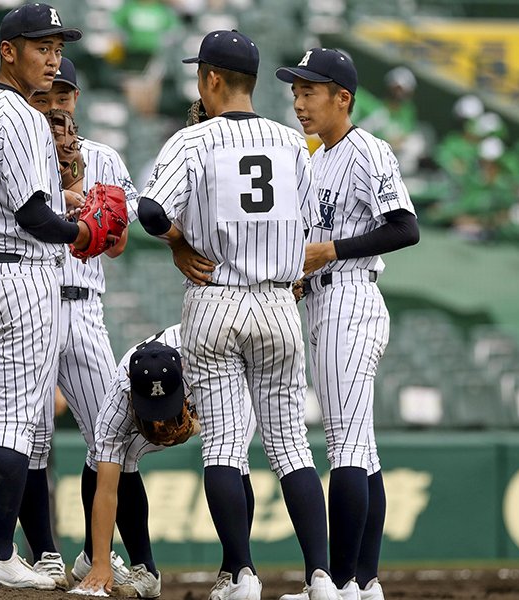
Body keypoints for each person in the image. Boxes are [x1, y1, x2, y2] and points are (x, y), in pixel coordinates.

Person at [136, 30, 332, 600]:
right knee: (292, 443)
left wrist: (176, 240)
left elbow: (150, 211)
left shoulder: (193, 140)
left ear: (212, 79)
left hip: (216, 295)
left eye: (201, 72)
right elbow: (308, 222)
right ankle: (320, 576)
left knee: (224, 443)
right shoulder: (293, 142)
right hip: (277, 299)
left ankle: (241, 574)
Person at [0, 3, 95, 590]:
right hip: (21, 273)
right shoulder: (27, 118)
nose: (53, 57)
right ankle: (1, 552)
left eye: (58, 47)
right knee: (14, 422)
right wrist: (78, 229)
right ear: (9, 50)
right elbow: (35, 214)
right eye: (41, 46)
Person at [276, 48, 421, 600]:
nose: (299, 101)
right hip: (322, 299)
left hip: (352, 299)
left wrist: (331, 251)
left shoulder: (367, 150)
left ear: (343, 98)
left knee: (346, 447)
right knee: (362, 446)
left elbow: (405, 228)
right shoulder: (313, 159)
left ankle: (336, 584)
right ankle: (364, 581)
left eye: (310, 91)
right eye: (295, 92)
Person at [17, 56, 139, 588]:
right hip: (33, 298)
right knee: (30, 436)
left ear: (78, 99)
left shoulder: (103, 157)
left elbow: (118, 247)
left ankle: (107, 557)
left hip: (85, 303)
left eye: (66, 92)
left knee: (112, 438)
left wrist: (99, 217)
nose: (58, 101)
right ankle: (44, 552)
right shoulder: (20, 148)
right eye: (49, 92)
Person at [75, 325, 257, 599]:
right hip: (182, 381)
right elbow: (106, 486)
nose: (159, 423)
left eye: (165, 410)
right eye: (151, 411)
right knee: (107, 455)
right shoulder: (120, 393)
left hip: (229, 381)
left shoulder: (204, 367)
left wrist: (194, 424)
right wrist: (101, 563)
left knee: (231, 457)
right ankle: (128, 567)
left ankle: (236, 571)